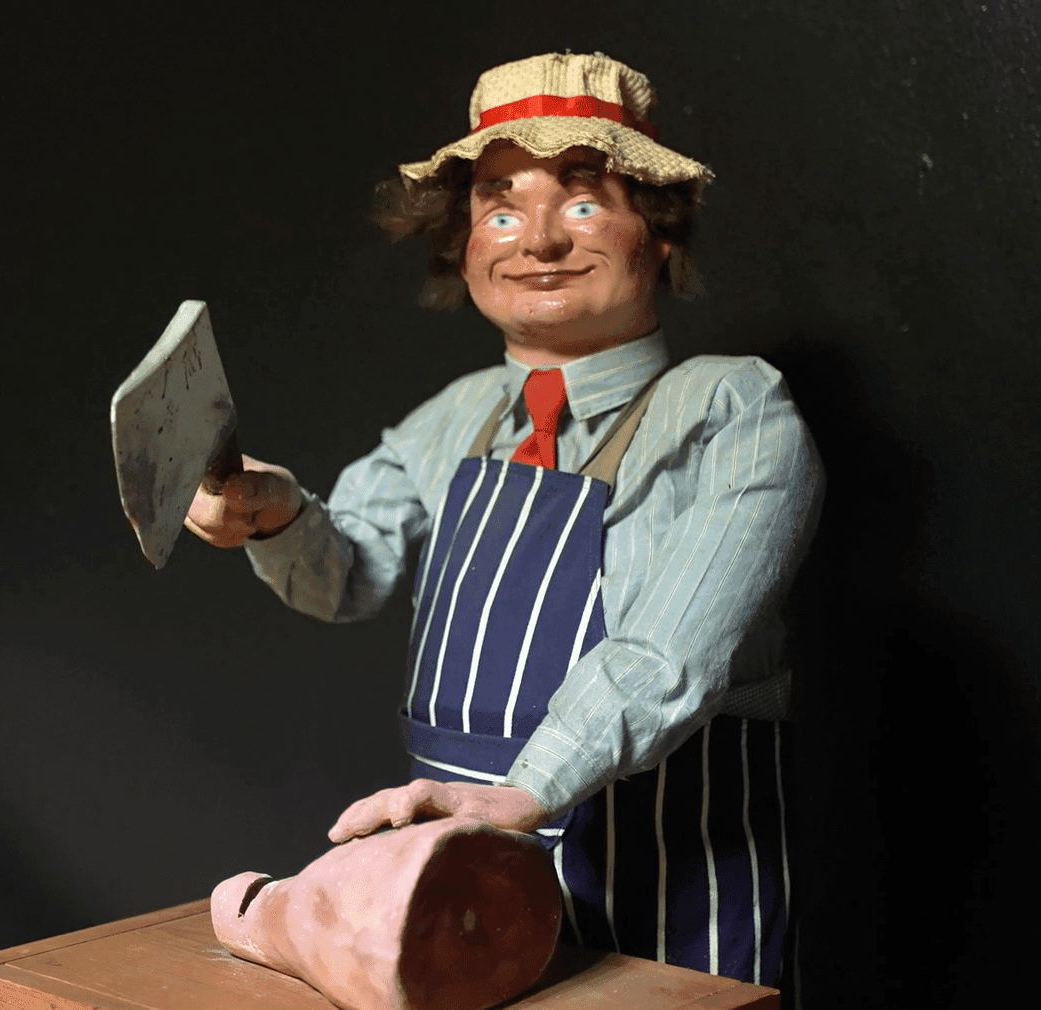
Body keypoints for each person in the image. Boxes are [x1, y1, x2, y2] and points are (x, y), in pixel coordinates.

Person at [186, 51, 823, 988]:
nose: (537, 240)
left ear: (656, 233)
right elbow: (347, 576)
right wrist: (276, 515)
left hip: (674, 873)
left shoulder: (734, 410)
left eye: (580, 200)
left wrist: (517, 796)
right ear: (464, 246)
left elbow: (667, 652)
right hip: (460, 882)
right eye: (497, 204)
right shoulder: (450, 417)